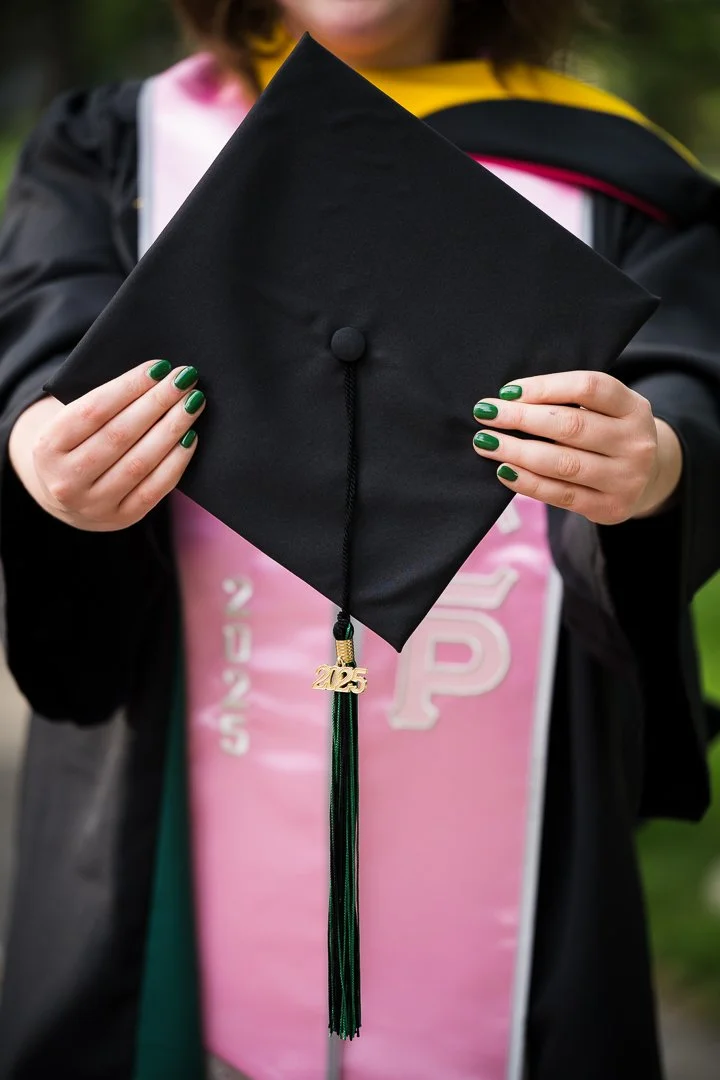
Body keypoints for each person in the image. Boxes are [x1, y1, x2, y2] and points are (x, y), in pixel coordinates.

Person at [0, 2, 718, 1078]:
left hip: (505, 783)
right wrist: (41, 452)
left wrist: (658, 465)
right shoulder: (123, 144)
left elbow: (690, 382)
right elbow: (41, 339)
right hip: (174, 760)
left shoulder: (623, 178)